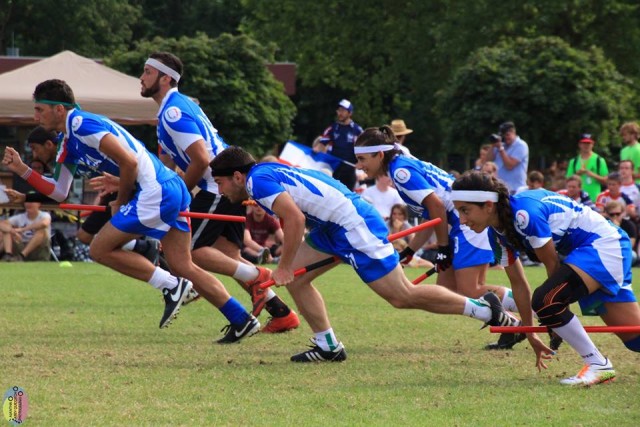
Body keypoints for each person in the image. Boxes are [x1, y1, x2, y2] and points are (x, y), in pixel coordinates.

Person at [2, 79, 260, 343]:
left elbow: (129, 161)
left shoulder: (80, 124)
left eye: (39, 110)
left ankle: (171, 285)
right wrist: (23, 170)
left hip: (157, 191)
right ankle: (241, 319)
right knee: (184, 264)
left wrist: (121, 201)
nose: (35, 116)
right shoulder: (69, 142)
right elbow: (58, 192)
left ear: (59, 109)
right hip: (169, 189)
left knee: (98, 249)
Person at [210, 146, 524, 362]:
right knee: (298, 283)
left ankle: (487, 310)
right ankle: (328, 346)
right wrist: (288, 269)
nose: (220, 190)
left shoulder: (256, 182)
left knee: (401, 296)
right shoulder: (263, 174)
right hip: (335, 226)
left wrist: (284, 266)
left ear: (237, 176)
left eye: (221, 182)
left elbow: (295, 219)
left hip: (352, 225)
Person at [138, 52, 299, 333]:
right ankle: (281, 313)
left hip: (216, 186)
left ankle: (257, 276)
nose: (141, 77)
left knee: (190, 256)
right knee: (228, 256)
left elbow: (200, 159)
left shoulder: (174, 112)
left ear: (165, 78)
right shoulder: (170, 109)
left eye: (147, 72)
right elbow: (166, 163)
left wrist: (179, 195)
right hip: (226, 185)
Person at [452, 171, 640, 386]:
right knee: (635, 340)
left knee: (546, 300)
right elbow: (519, 284)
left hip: (604, 246)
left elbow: (552, 266)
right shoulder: (494, 234)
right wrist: (531, 335)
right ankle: (599, 364)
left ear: (488, 205)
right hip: (591, 254)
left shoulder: (524, 214)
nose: (462, 220)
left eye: (465, 210)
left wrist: (553, 313)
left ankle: (598, 365)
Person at [354, 126, 526, 350]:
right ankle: (512, 325)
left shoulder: (400, 172)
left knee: (471, 289)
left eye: (362, 159)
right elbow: (433, 216)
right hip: (458, 224)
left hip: (467, 224)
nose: (359, 166)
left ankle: (536, 310)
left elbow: (437, 207)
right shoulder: (400, 167)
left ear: (379, 155)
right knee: (448, 291)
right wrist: (409, 251)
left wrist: (443, 247)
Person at [3, 126, 162, 266]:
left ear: (49, 144)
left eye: (35, 148)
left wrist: (122, 185)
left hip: (129, 187)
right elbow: (60, 193)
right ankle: (143, 249)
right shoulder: (64, 157)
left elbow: (59, 193)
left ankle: (147, 250)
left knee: (96, 241)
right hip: (113, 190)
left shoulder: (71, 148)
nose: (35, 155)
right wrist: (25, 198)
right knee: (86, 237)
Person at [317, 99, 363, 190]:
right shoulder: (332, 128)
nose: (340, 113)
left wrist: (360, 163)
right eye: (339, 110)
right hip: (334, 169)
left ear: (350, 113)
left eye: (343, 110)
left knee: (348, 198)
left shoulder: (357, 130)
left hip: (350, 170)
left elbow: (364, 148)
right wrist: (314, 151)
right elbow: (321, 145)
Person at [486, 121, 529, 194]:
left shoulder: (521, 145)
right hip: (500, 188)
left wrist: (501, 149)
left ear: (513, 132)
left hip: (515, 189)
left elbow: (509, 165)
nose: (505, 138)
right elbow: (488, 160)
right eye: (503, 135)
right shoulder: (501, 144)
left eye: (507, 135)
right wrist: (493, 145)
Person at [565, 133, 608, 202]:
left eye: (588, 143)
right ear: (579, 144)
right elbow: (567, 180)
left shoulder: (599, 160)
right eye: (584, 143)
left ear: (592, 144)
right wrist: (577, 174)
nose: (586, 145)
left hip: (594, 198)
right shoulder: (574, 161)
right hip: (576, 199)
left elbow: (606, 181)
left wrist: (591, 174)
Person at [603, 201, 638, 265]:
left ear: (622, 213)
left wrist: (618, 230)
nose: (615, 216)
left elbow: (630, 245)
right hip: (608, 253)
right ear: (607, 214)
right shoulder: (604, 225)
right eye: (612, 214)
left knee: (633, 255)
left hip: (623, 252)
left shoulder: (629, 225)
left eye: (618, 214)